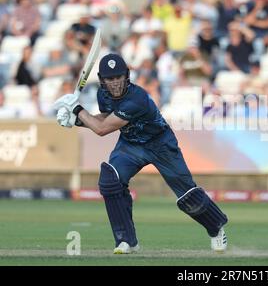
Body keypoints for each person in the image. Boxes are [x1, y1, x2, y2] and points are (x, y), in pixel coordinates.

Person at [53, 53, 228, 254]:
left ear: (126, 76)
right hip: (131, 144)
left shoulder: (137, 98)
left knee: (188, 196)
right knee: (110, 181)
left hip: (161, 144)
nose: (115, 83)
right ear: (102, 80)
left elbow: (102, 130)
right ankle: (126, 241)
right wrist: (76, 120)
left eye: (119, 77)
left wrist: (76, 109)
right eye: (110, 79)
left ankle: (216, 227)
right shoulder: (103, 95)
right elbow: (104, 118)